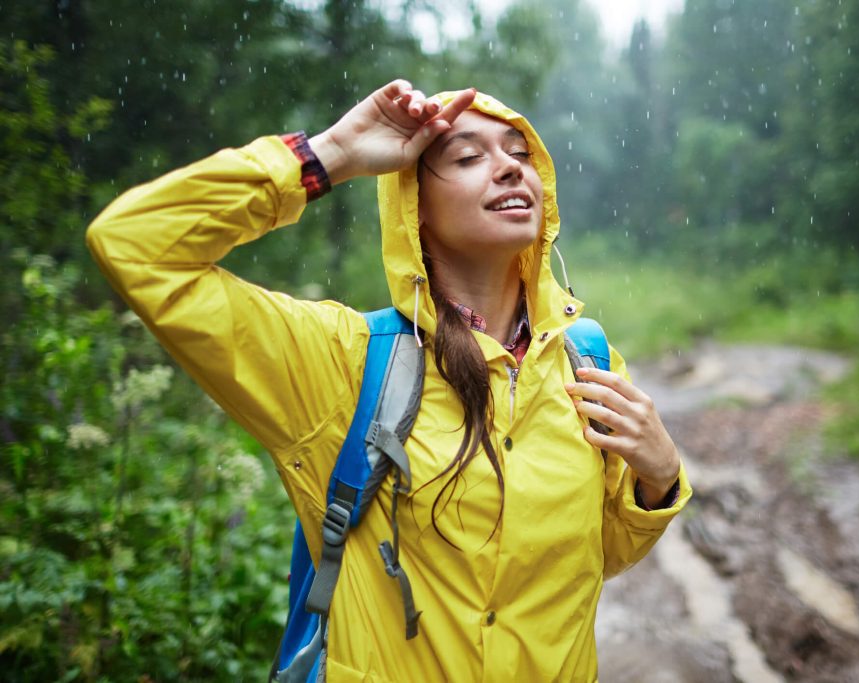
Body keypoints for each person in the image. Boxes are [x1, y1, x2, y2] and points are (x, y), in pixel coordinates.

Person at [86, 79, 692, 681]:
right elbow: (136, 245)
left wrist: (659, 479)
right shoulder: (341, 365)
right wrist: (329, 154)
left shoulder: (586, 358)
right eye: (469, 156)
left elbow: (592, 558)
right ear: (414, 209)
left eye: (519, 151)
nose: (509, 168)